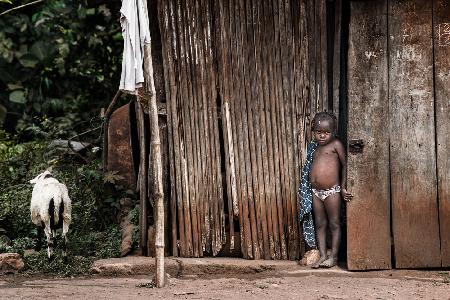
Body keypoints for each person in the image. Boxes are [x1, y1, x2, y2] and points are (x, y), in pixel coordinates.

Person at [308, 111, 352, 268]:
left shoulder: (336, 145)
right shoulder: (315, 148)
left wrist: (343, 187)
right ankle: (322, 255)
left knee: (334, 223)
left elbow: (345, 165)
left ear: (333, 132)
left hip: (332, 191)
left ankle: (333, 257)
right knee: (320, 224)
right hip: (316, 192)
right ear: (314, 132)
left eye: (326, 133)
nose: (322, 136)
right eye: (319, 132)